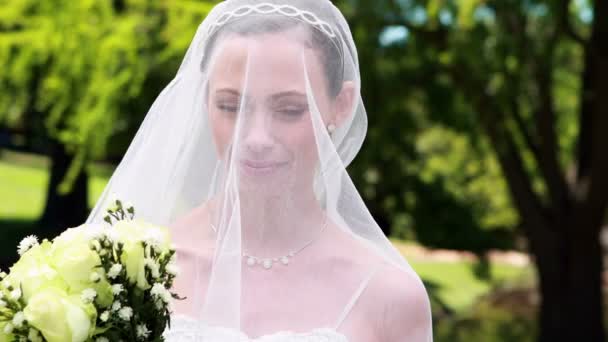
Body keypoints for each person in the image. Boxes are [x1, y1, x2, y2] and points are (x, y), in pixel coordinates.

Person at [87, 0, 433, 341]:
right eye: (230, 105)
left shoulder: (389, 296)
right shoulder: (134, 270)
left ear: (340, 106)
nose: (256, 138)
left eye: (289, 109)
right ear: (204, 100)